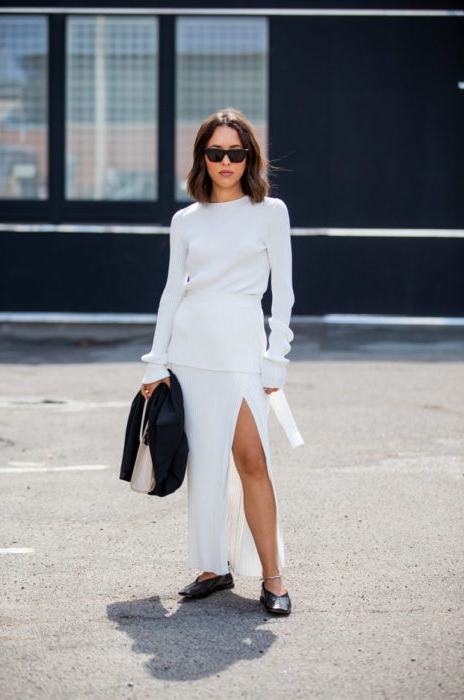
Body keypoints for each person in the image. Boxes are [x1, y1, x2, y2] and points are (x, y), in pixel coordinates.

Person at [140, 107, 304, 615]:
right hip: (189, 352)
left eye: (236, 152)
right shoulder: (185, 220)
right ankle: (212, 567)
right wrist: (155, 360)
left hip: (241, 353)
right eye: (216, 152)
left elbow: (285, 293)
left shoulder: (269, 211)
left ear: (249, 156)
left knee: (252, 460)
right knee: (205, 464)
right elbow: (171, 293)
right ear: (203, 158)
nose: (227, 161)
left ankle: (273, 578)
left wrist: (277, 358)